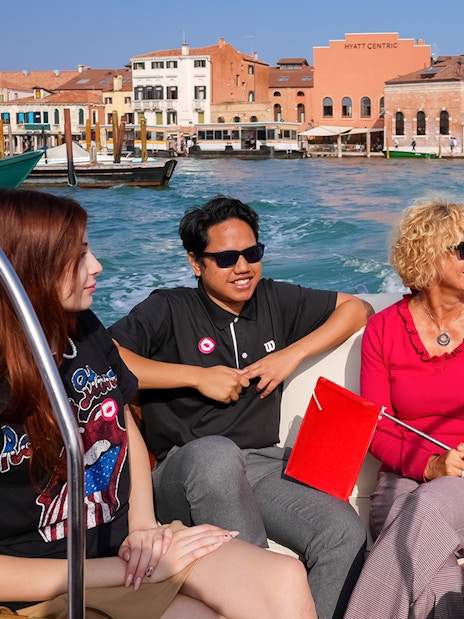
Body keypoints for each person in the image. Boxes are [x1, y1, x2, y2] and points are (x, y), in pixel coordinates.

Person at [0, 188, 317, 619]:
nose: (97, 267)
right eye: (76, 257)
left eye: (88, 251)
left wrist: (144, 526)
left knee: (284, 577)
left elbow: (119, 418)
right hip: (48, 582)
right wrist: (122, 570)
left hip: (128, 543)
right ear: (28, 268)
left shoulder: (84, 328)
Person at [109, 195, 374, 619]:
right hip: (186, 467)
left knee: (342, 532)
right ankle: (263, 591)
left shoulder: (273, 299)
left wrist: (291, 355)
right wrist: (197, 376)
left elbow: (358, 308)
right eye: (227, 257)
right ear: (197, 263)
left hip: (263, 465)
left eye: (252, 253)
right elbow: (107, 358)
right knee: (216, 452)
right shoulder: (168, 307)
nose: (243, 267)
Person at [344, 198, 464, 618]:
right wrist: (432, 466)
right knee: (438, 575)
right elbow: (377, 427)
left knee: (426, 510)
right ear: (430, 257)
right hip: (405, 479)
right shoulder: (384, 328)